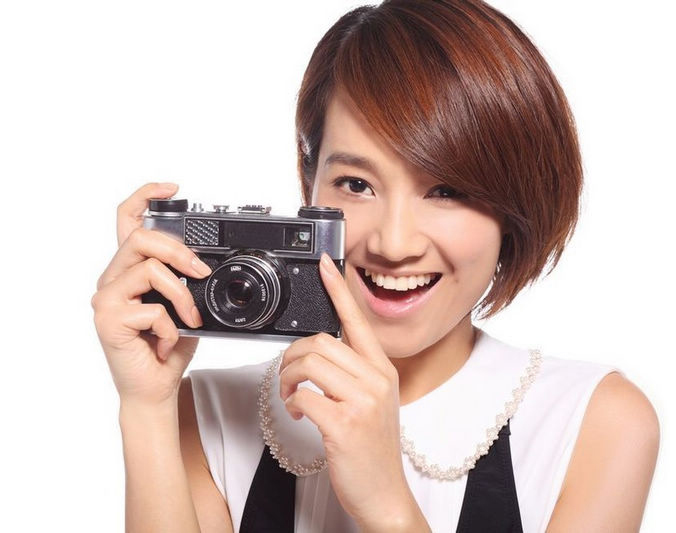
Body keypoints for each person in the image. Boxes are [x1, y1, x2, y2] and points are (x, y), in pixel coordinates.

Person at [91, 1, 659, 531]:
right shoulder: (210, 415)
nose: (394, 243)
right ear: (310, 188)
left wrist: (387, 505)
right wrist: (145, 407)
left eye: (446, 190)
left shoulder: (592, 424)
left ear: (513, 208)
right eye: (356, 184)